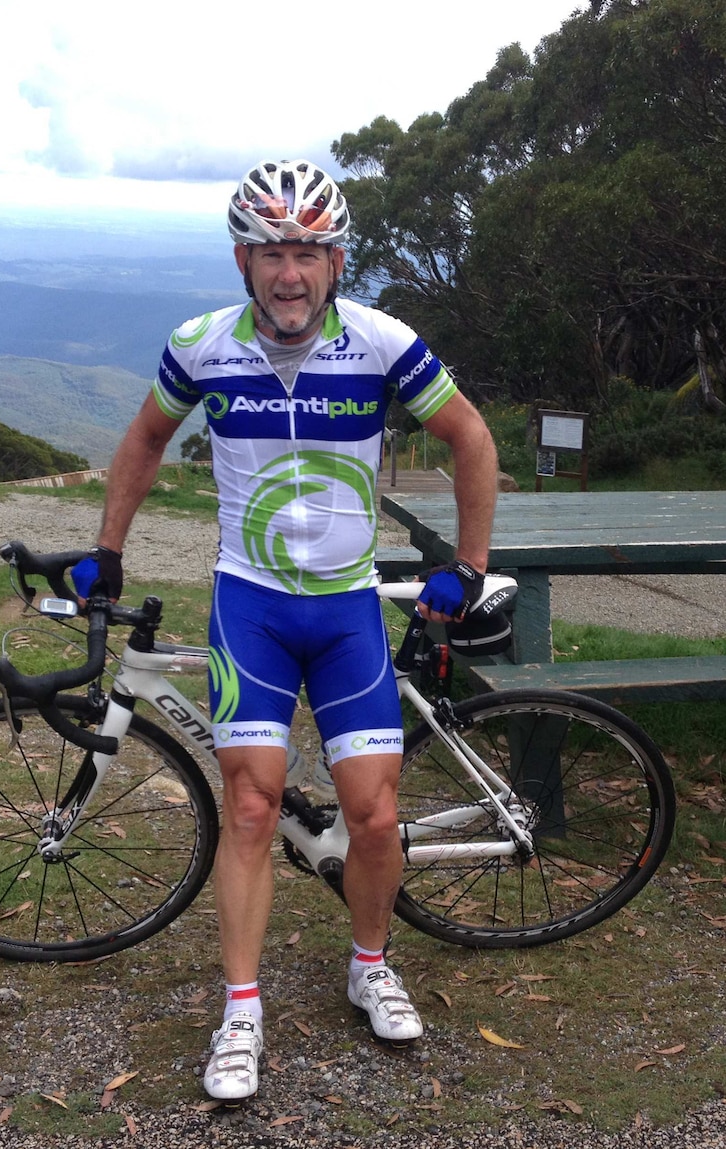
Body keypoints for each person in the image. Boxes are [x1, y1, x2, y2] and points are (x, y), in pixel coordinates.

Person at [74, 159, 498, 1101]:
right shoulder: (203, 344)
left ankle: (369, 962)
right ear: (243, 260)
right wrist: (108, 546)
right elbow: (146, 439)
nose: (290, 271)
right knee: (255, 806)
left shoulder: (383, 342)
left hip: (345, 606)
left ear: (336, 259)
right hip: (250, 603)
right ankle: (241, 1009)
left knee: (375, 813)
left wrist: (467, 565)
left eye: (309, 249)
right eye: (272, 251)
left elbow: (470, 436)